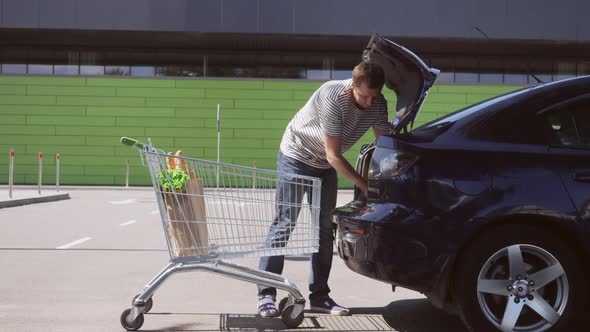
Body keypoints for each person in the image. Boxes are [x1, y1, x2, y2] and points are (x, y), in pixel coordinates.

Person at [257, 61, 391, 318]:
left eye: (374, 96)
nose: (368, 103)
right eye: (364, 96)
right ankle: (266, 295)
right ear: (353, 85)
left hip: (325, 164)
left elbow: (383, 145)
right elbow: (334, 155)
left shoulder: (378, 103)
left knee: (324, 230)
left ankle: (320, 297)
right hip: (297, 157)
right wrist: (365, 186)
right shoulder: (332, 95)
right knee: (285, 224)